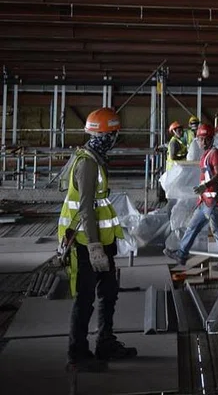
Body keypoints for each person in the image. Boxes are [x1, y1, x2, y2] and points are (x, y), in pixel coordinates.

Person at [59, 107, 137, 372]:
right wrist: (94, 247)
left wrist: (105, 245)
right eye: (113, 134)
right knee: (85, 298)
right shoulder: (87, 164)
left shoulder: (96, 158)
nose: (115, 139)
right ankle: (77, 354)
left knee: (108, 292)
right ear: (105, 135)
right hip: (85, 243)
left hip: (102, 241)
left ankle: (105, 342)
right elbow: (85, 208)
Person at [164, 123, 218, 271]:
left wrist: (205, 185)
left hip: (213, 202)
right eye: (200, 139)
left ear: (211, 139)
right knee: (192, 227)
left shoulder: (215, 153)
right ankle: (182, 254)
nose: (202, 142)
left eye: (205, 139)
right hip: (205, 202)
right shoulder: (205, 155)